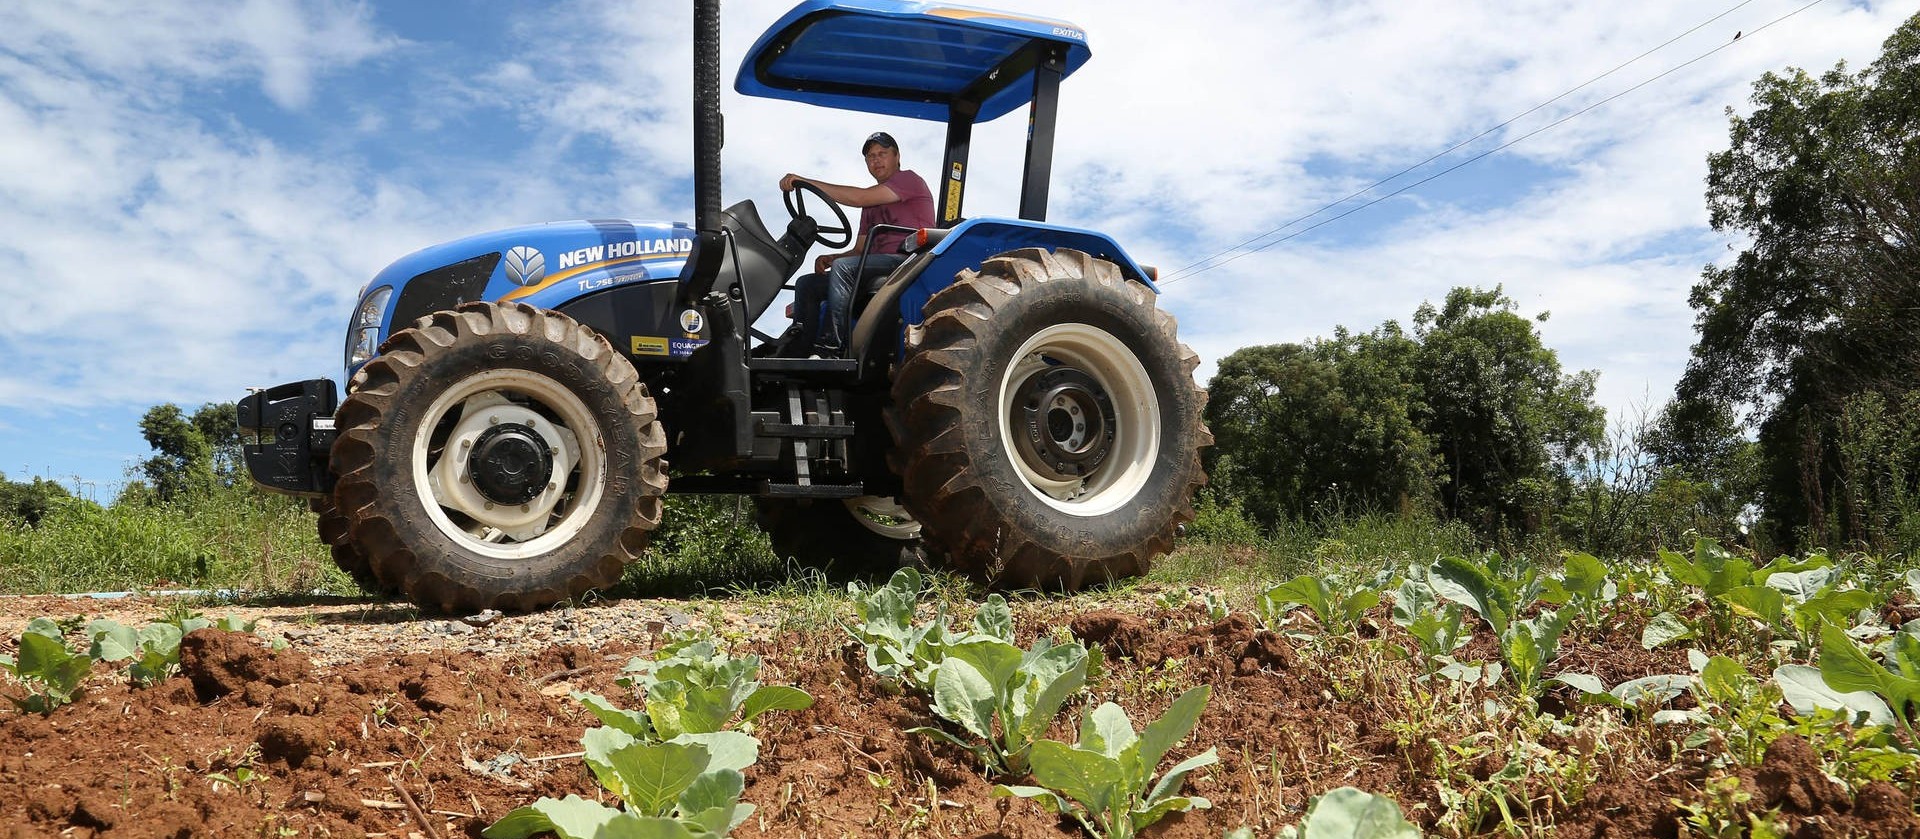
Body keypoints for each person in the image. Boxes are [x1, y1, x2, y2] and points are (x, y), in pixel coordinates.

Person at [780, 131, 935, 356]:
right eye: (870, 157)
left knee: (845, 269)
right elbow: (860, 250)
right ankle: (799, 351)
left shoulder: (909, 180)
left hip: (909, 261)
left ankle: (830, 348)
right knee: (808, 284)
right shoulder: (871, 204)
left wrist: (805, 181)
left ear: (897, 156)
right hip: (875, 265)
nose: (876, 160)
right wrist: (832, 259)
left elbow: (858, 197)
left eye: (882, 154)